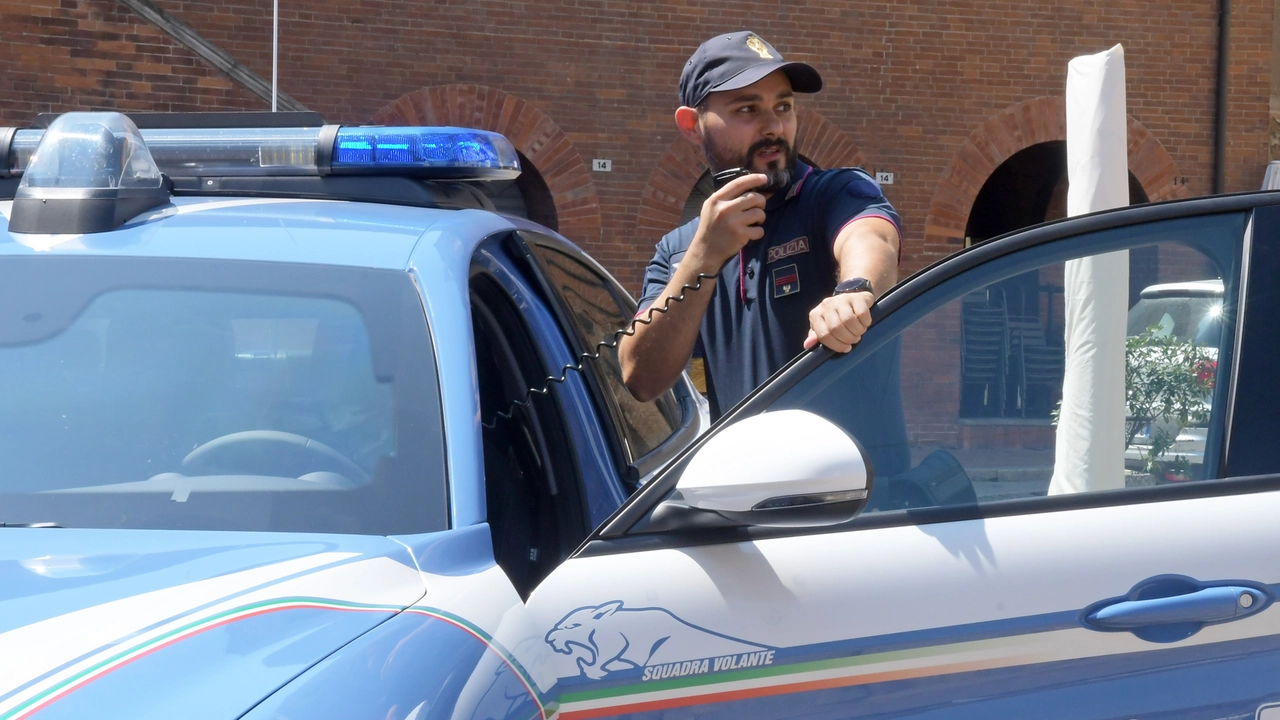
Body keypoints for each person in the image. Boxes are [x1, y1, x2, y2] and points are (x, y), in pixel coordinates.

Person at [620, 30, 903, 425]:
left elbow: (872, 235)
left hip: (862, 481)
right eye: (747, 110)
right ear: (692, 125)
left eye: (784, 106)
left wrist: (855, 290)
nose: (774, 126)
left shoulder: (834, 192)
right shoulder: (678, 250)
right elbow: (641, 378)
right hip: (747, 484)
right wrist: (703, 257)